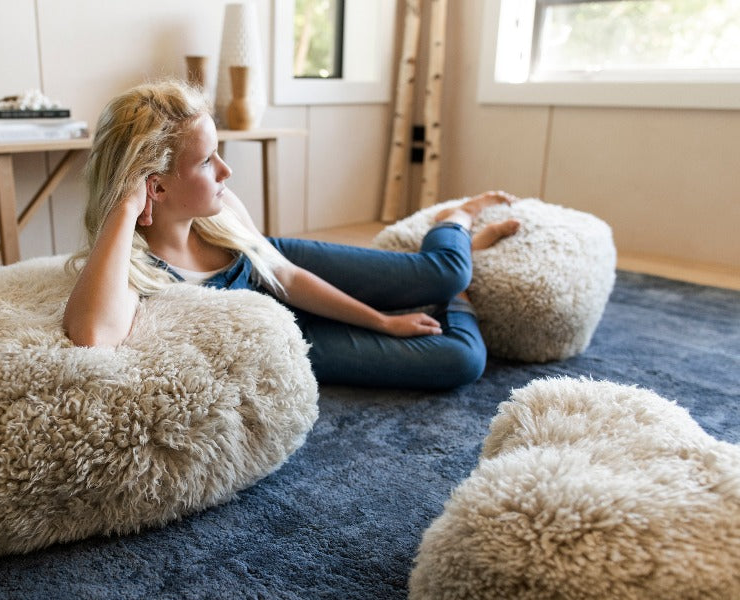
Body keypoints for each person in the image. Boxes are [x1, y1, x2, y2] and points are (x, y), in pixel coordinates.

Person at [63, 80, 519, 390]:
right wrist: (125, 207)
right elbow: (91, 334)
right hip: (288, 334)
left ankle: (455, 222)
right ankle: (465, 295)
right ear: (155, 186)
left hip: (277, 267)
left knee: (444, 271)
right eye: (206, 162)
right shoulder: (131, 267)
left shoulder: (223, 214)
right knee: (461, 359)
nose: (226, 170)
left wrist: (382, 322)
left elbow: (288, 277)